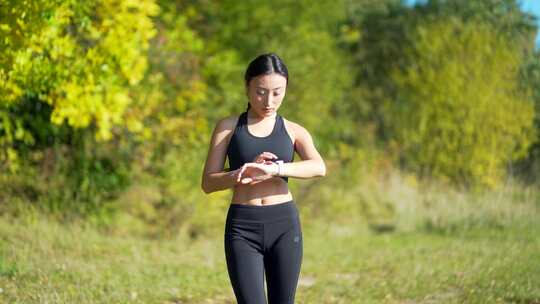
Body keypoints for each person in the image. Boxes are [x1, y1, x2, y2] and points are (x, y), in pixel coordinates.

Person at [201, 53, 326, 304]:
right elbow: (208, 182)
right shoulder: (228, 127)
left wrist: (276, 170)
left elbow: (318, 167)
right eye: (260, 91)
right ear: (247, 87)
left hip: (284, 225)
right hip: (242, 228)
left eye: (277, 92)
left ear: (286, 89)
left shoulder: (292, 130)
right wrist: (239, 174)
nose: (269, 101)